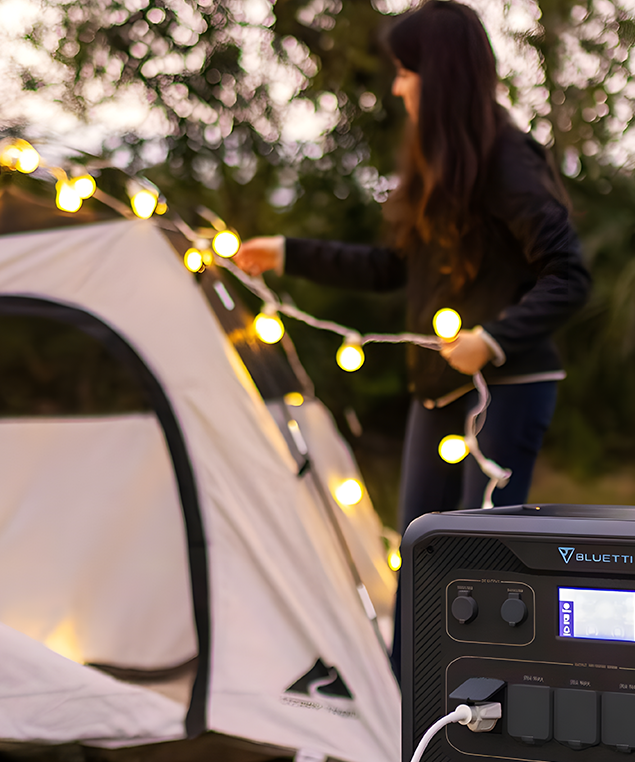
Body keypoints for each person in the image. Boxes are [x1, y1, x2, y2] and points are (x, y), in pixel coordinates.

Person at [234, 0, 590, 677]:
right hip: (437, 387)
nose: (397, 87)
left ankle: (479, 723)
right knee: (423, 555)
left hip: (506, 387)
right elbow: (393, 268)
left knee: (473, 566)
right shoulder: (438, 165)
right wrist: (286, 252)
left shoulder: (510, 161)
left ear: (443, 75)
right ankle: (401, 718)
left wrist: (493, 339)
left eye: (406, 72)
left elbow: (569, 275)